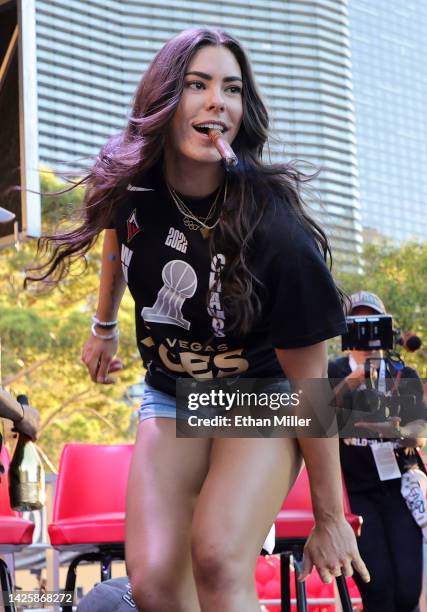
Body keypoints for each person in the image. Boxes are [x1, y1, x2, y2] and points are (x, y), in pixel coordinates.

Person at [29, 28, 370, 612]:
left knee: (215, 554)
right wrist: (103, 327)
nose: (219, 102)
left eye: (232, 89)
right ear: (165, 98)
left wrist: (329, 515)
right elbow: (117, 245)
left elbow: (308, 389)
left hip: (261, 394)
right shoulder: (129, 185)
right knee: (157, 581)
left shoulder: (277, 234)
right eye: (197, 84)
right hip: (174, 394)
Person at [328, 290, 426, 612]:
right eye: (357, 322)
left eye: (373, 322)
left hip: (397, 488)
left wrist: (397, 432)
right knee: (377, 587)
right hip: (355, 493)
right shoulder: (333, 371)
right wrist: (350, 384)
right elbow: (314, 420)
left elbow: (419, 433)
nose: (367, 332)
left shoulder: (402, 374)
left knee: (408, 590)